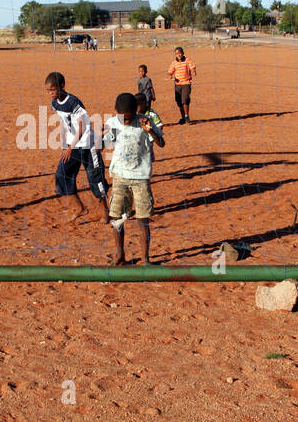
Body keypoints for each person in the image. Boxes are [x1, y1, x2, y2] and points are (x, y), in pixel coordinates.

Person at [103, 92, 163, 265]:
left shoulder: (144, 122)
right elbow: (104, 144)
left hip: (140, 177)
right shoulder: (113, 123)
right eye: (122, 118)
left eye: (128, 119)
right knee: (116, 218)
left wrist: (150, 130)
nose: (125, 122)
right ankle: (119, 254)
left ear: (136, 112)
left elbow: (161, 143)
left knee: (142, 219)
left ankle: (145, 259)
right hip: (120, 176)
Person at [44, 71, 108, 221]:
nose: (51, 93)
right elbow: (65, 124)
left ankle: (105, 212)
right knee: (62, 175)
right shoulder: (54, 104)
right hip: (71, 145)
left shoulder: (74, 102)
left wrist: (70, 147)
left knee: (95, 178)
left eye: (53, 89)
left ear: (62, 86)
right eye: (48, 90)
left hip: (87, 145)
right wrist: (65, 144)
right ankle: (79, 208)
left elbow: (82, 126)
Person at [167, 47, 195, 124]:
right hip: (177, 85)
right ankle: (183, 117)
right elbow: (170, 71)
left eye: (180, 53)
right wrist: (170, 75)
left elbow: (192, 67)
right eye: (177, 53)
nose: (178, 55)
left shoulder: (187, 60)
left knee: (185, 100)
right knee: (179, 102)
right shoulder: (174, 63)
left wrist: (193, 71)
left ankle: (186, 116)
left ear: (183, 53)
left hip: (186, 83)